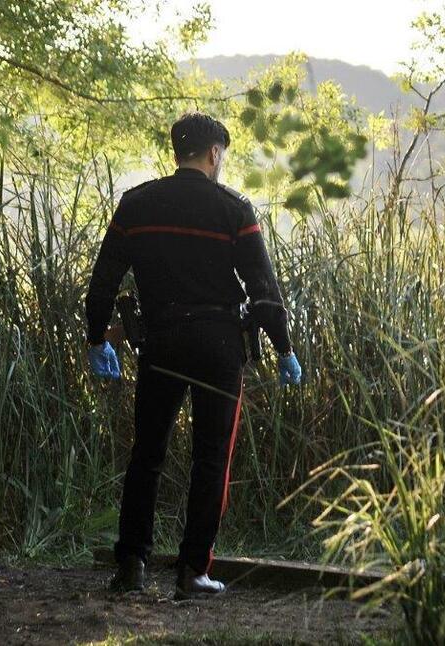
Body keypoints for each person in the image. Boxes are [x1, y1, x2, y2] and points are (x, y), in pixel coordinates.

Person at [85, 112, 303, 600]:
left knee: (147, 454)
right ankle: (192, 571)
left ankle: (131, 567)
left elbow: (104, 279)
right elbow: (263, 290)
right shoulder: (234, 209)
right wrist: (284, 347)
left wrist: (96, 337)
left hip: (160, 340)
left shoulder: (135, 204)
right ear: (214, 153)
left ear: (176, 150)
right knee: (211, 458)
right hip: (218, 344)